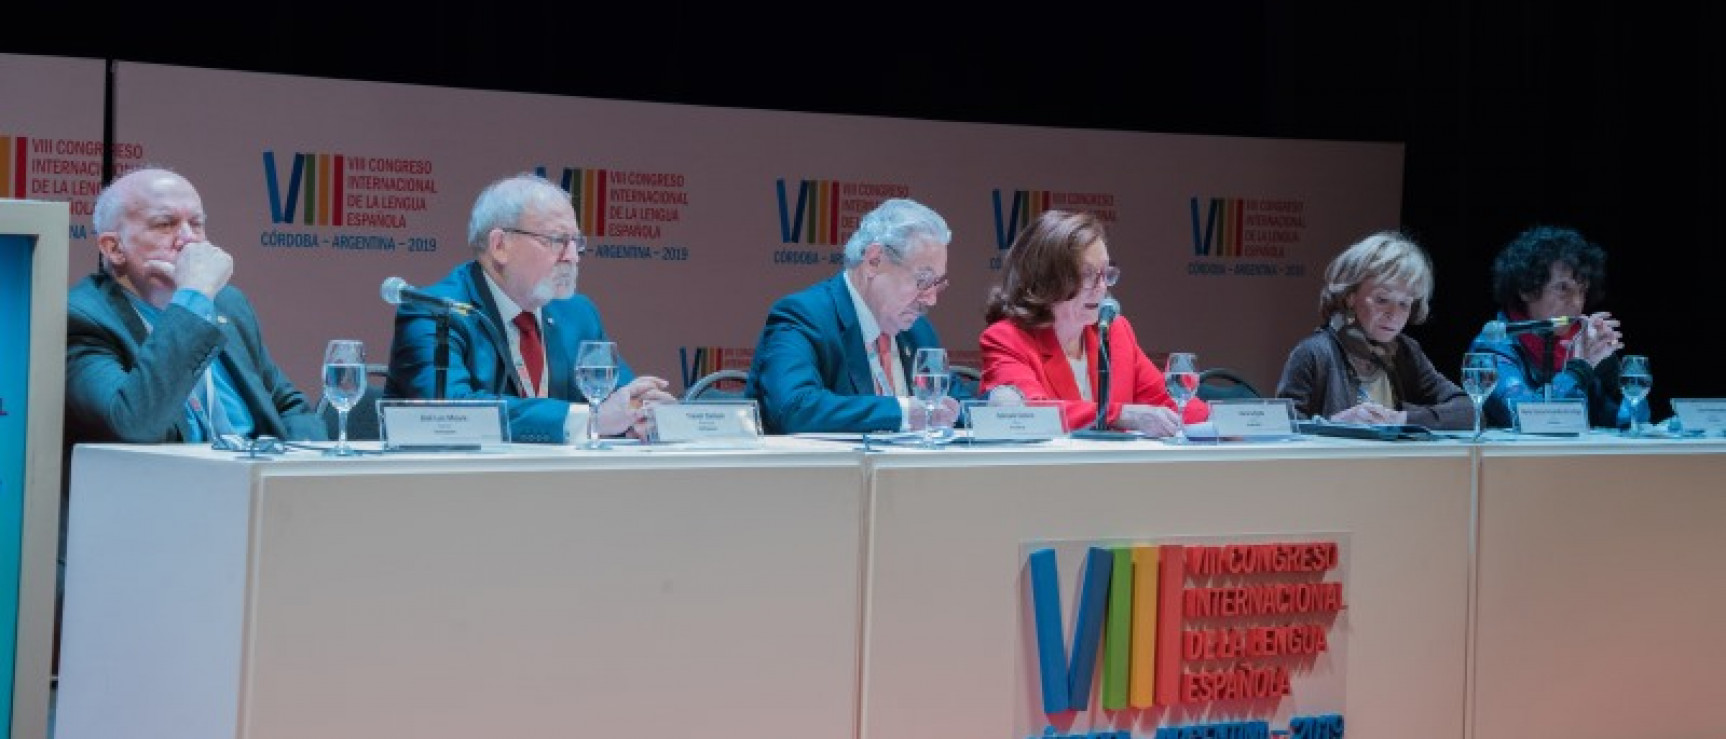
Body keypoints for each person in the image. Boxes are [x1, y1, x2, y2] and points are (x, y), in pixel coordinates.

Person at [385, 173, 675, 443]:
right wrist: (589, 421)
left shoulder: (577, 313)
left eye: (576, 242)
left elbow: (619, 400)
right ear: (500, 245)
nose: (573, 257)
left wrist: (642, 410)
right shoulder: (437, 312)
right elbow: (452, 412)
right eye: (557, 241)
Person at [65, 167, 326, 445]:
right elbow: (132, 423)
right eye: (165, 224)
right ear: (114, 248)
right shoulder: (82, 319)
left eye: (197, 223)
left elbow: (289, 406)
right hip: (167, 483)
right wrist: (193, 297)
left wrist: (300, 462)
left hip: (253, 478)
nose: (188, 238)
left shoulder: (228, 303)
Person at [978, 209, 1207, 435]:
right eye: (1087, 274)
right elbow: (1027, 415)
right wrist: (1122, 415)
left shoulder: (1115, 331)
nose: (1102, 287)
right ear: (1046, 279)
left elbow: (1173, 403)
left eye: (1105, 273)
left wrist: (1226, 422)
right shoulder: (1006, 339)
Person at [746, 198, 961, 434]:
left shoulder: (917, 331)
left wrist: (997, 405)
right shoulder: (804, 315)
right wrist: (903, 412)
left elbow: (953, 405)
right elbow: (794, 407)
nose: (931, 299)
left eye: (937, 284)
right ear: (873, 261)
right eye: (923, 280)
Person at [1275, 230, 1473, 428]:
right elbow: (1282, 428)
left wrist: (1402, 419)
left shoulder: (1406, 352)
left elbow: (1470, 410)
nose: (1393, 314)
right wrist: (1332, 425)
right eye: (1382, 299)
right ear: (1350, 296)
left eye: (1404, 303)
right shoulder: (1313, 354)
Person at [1467, 225, 1641, 429]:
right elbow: (1529, 417)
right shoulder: (1493, 347)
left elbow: (1631, 421)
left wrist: (1612, 375)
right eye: (1563, 288)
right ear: (1526, 289)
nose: (1576, 303)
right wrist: (1578, 370)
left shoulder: (1577, 348)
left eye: (1582, 291)